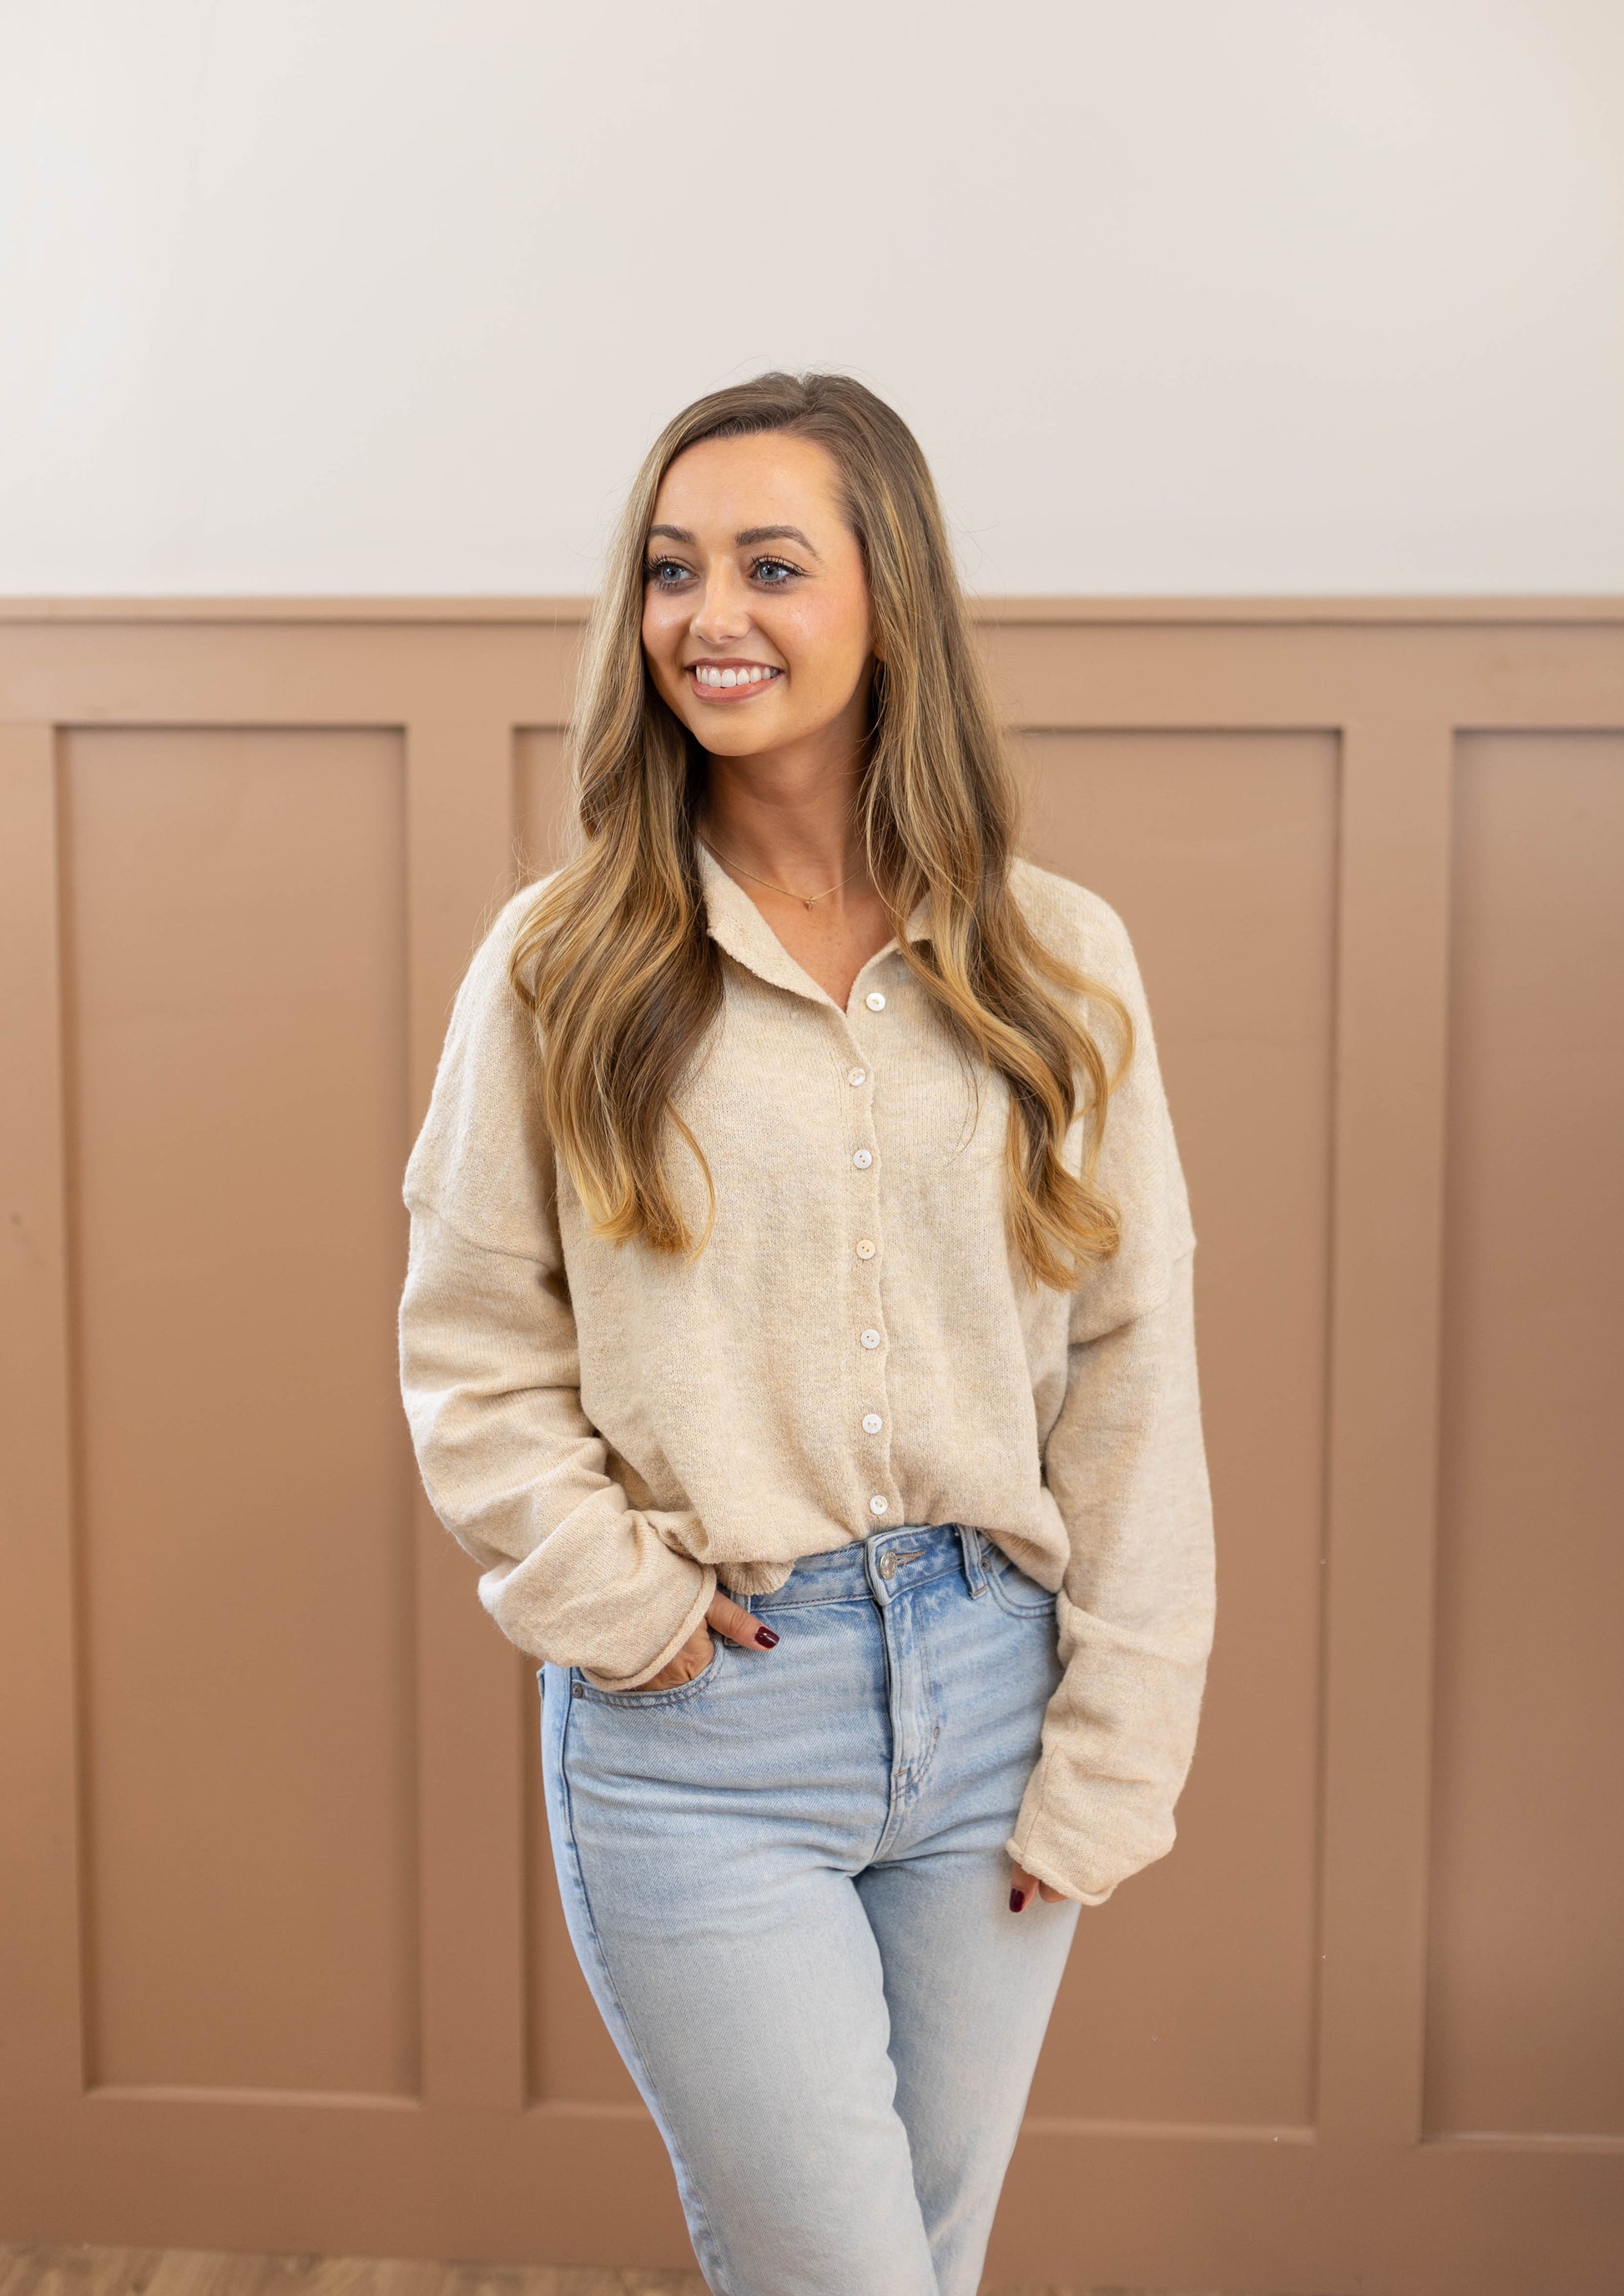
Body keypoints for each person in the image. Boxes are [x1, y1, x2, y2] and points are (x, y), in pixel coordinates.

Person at [397, 371, 1215, 2296]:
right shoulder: (559, 963)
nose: (710, 615)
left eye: (773, 563)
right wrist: (629, 1604)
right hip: (702, 1732)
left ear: (887, 601)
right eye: (674, 570)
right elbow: (471, 1343)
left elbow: (1131, 1360)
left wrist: (1114, 1741)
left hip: (996, 1713)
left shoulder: (1059, 958)